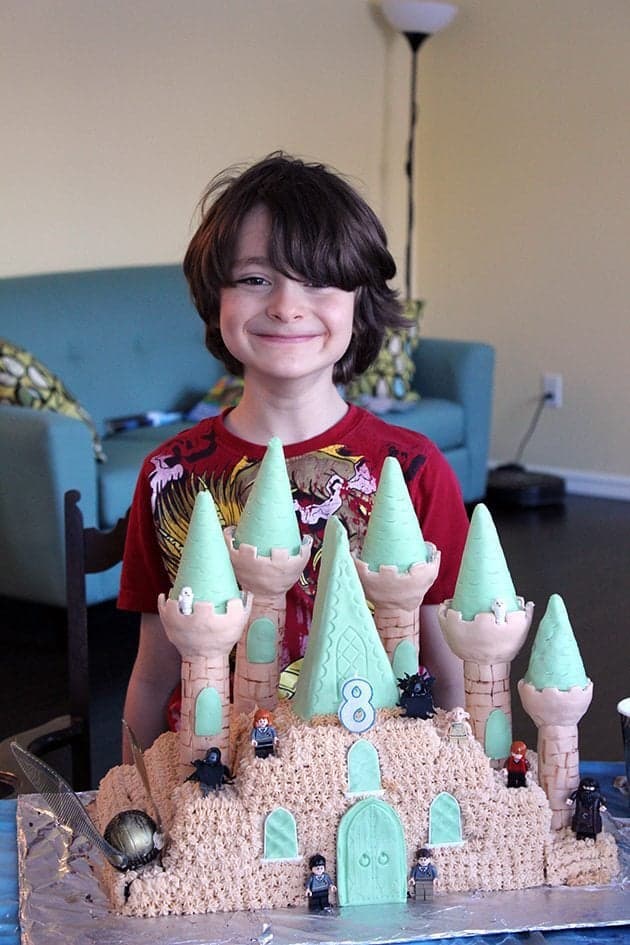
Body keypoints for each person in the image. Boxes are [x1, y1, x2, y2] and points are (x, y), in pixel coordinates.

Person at [119, 152, 469, 761]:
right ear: (216, 297)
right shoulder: (169, 475)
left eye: (318, 279)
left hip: (374, 770)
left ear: (359, 300)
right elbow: (154, 673)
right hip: (210, 776)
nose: (286, 305)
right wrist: (130, 795)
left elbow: (448, 666)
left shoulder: (412, 469)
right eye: (256, 279)